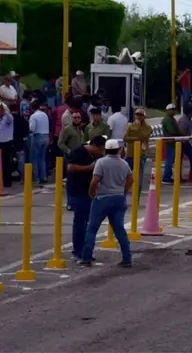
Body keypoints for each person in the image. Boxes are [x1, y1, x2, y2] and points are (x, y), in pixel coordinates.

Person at [79, 139, 132, 268]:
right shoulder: (124, 163)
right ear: (118, 149)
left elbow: (95, 179)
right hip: (118, 198)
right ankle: (127, 258)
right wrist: (122, 191)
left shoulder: (101, 162)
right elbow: (130, 180)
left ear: (106, 149)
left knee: (92, 228)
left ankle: (86, 258)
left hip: (102, 198)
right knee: (119, 230)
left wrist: (91, 192)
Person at [67, 135, 106, 259]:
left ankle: (86, 250)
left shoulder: (97, 156)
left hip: (91, 192)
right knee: (80, 222)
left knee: (89, 222)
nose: (101, 152)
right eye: (100, 149)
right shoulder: (78, 152)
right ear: (94, 145)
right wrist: (89, 168)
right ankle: (78, 250)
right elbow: (70, 167)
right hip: (79, 191)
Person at [124, 108, 152, 193]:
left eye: (141, 115)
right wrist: (136, 138)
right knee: (125, 174)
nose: (138, 117)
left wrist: (138, 128)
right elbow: (125, 138)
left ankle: (137, 196)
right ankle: (124, 191)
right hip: (130, 154)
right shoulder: (130, 126)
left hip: (141, 154)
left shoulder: (148, 127)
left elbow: (144, 136)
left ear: (144, 117)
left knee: (139, 178)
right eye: (137, 115)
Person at [28, 101, 51, 184]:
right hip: (46, 136)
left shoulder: (33, 116)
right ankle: (43, 176)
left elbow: (32, 128)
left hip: (37, 136)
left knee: (34, 158)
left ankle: (36, 177)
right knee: (42, 158)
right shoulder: (45, 115)